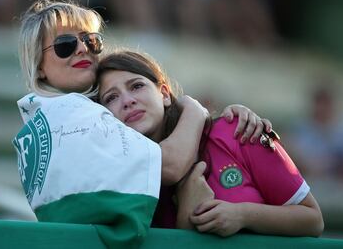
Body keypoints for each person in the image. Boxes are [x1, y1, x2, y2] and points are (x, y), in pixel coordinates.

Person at [13, 0, 271, 248]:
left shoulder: (41, 119)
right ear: (39, 66)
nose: (82, 49)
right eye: (65, 45)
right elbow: (170, 166)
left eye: (91, 41)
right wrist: (194, 109)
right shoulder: (73, 112)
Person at [96, 50, 324, 237]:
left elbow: (312, 220)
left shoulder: (236, 130)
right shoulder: (123, 177)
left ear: (164, 94)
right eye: (112, 98)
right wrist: (186, 215)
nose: (127, 101)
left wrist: (242, 215)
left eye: (136, 86)